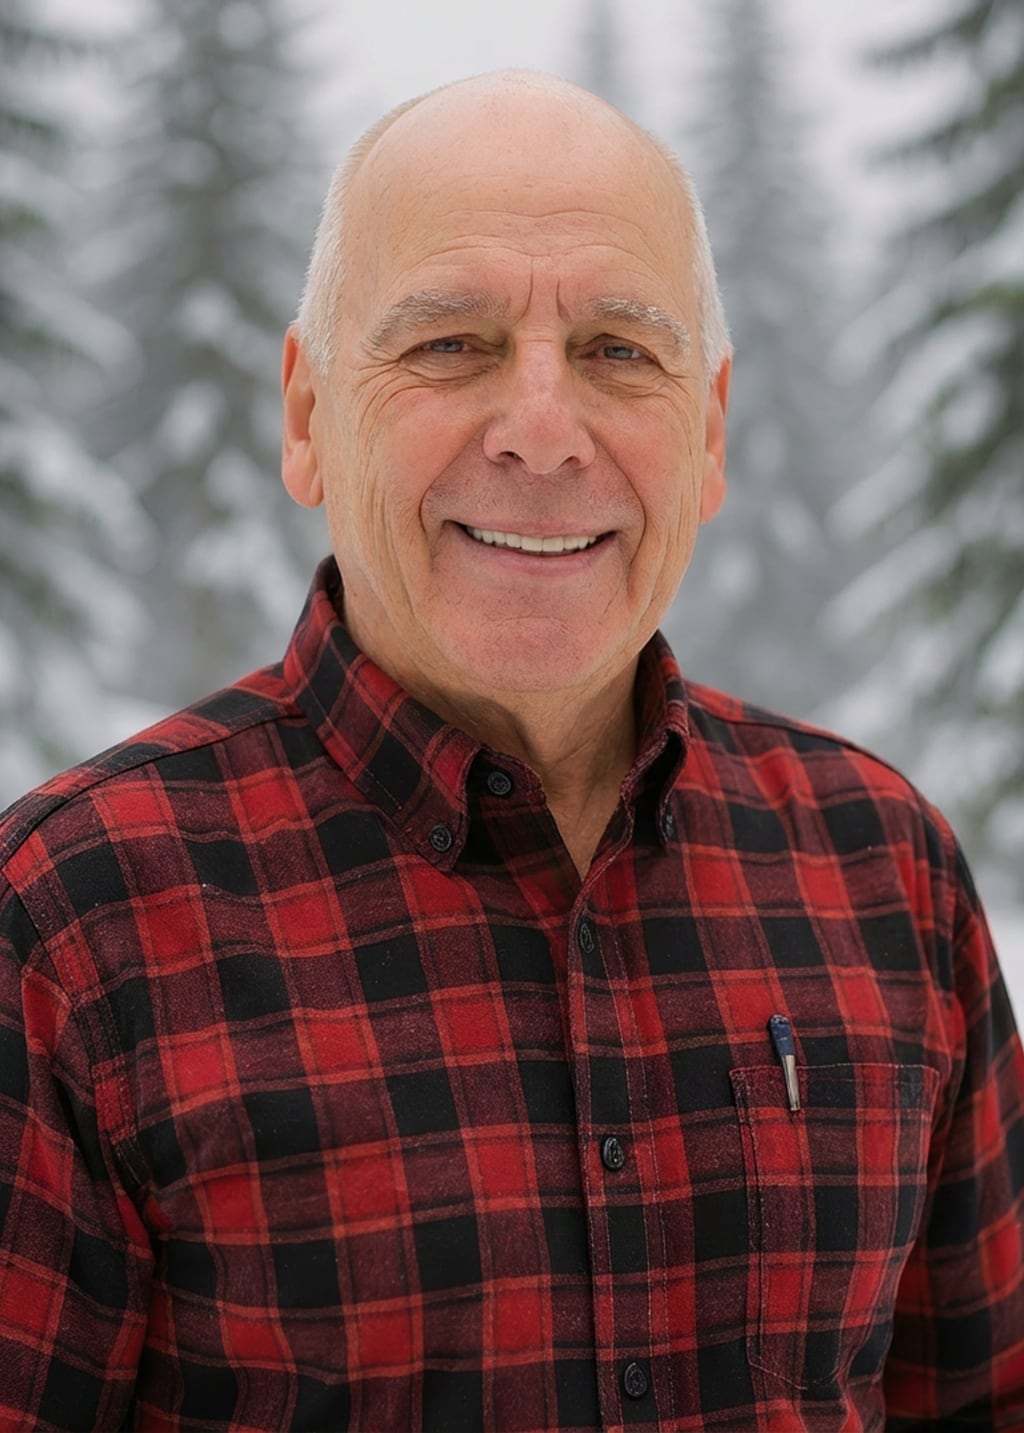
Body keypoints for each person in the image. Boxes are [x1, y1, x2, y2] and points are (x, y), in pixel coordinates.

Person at [0, 69, 1021, 1433]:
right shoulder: (71, 924)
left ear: (709, 432)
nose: (542, 429)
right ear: (307, 414)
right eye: (449, 345)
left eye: (617, 351)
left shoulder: (883, 871)